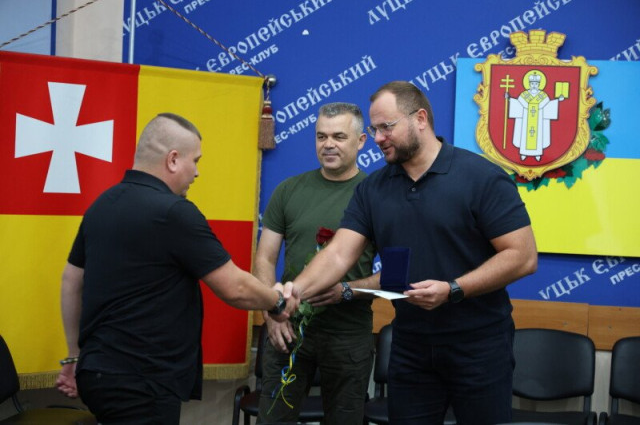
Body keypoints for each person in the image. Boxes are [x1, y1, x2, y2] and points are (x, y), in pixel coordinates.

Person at [289, 82, 538, 425]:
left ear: (420, 119)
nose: (378, 138)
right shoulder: (373, 188)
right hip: (410, 345)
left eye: (386, 127)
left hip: (479, 345)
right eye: (374, 129)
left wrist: (453, 289)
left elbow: (523, 256)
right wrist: (294, 292)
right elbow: (338, 255)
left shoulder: (481, 177)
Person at [55, 113, 298, 425]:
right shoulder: (173, 212)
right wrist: (277, 302)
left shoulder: (101, 205)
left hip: (98, 373)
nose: (196, 172)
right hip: (142, 381)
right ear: (172, 160)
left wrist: (74, 355)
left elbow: (71, 280)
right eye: (195, 161)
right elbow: (235, 287)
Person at [254, 102, 379, 425]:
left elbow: (395, 275)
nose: (328, 144)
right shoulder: (288, 190)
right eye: (321, 136)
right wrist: (271, 313)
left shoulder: (378, 196)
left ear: (361, 141)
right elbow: (264, 258)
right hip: (287, 329)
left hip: (348, 335)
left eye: (339, 136)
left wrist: (347, 290)